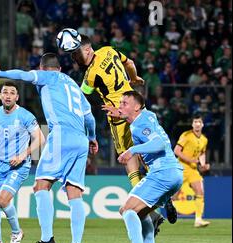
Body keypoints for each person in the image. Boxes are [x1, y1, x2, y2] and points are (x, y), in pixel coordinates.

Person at [0, 54, 98, 243]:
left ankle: (47, 238)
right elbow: (90, 116)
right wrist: (92, 138)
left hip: (62, 136)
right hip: (81, 140)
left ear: (43, 68)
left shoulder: (49, 77)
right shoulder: (74, 85)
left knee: (41, 185)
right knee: (74, 192)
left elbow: (23, 75)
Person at [69, 33, 177, 231]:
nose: (74, 59)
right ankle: (165, 197)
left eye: (76, 54)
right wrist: (134, 78)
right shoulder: (109, 50)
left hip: (119, 116)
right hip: (136, 108)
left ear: (86, 49)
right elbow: (131, 63)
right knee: (146, 150)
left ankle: (149, 207)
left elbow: (81, 95)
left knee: (128, 159)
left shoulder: (90, 75)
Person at [116, 91, 183, 243]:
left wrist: (132, 150)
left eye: (124, 103)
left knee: (126, 210)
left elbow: (159, 143)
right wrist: (121, 112)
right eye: (120, 103)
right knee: (141, 213)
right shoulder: (148, 115)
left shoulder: (140, 125)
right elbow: (143, 115)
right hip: (175, 174)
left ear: (136, 107)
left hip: (162, 172)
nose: (120, 106)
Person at [0, 81, 45, 243]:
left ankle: (17, 233)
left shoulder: (25, 116)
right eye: (5, 92)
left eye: (12, 93)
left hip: (19, 166)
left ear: (17, 97)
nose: (8, 95)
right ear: (0, 96)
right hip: (0, 164)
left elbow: (40, 138)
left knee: (2, 200)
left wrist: (23, 155)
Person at [173, 114, 210, 228]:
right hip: (182, 167)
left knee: (200, 191)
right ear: (192, 124)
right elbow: (177, 151)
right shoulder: (186, 135)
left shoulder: (204, 139)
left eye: (199, 122)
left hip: (193, 169)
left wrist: (203, 165)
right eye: (195, 122)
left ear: (202, 124)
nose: (197, 124)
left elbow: (202, 153)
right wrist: (192, 160)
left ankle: (198, 220)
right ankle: (152, 213)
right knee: (174, 195)